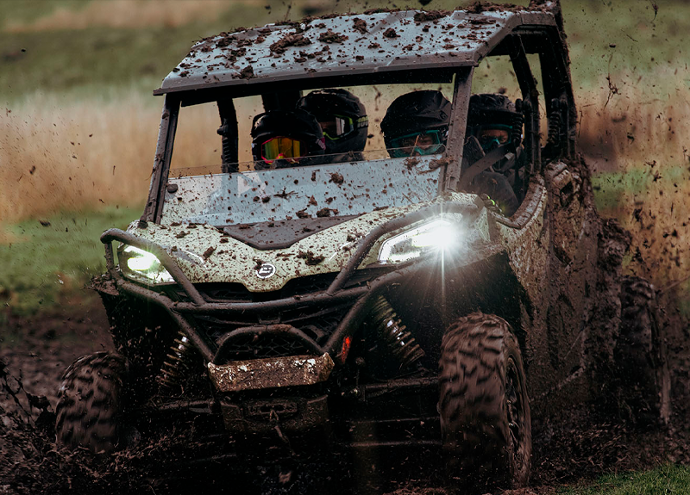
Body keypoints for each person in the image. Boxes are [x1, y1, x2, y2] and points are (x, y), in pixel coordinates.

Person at [381, 90, 520, 216]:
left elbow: (512, 230)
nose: (416, 154)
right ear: (393, 147)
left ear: (446, 140)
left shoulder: (492, 185)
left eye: (425, 141)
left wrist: (490, 215)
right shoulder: (383, 188)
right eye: (407, 144)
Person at [466, 93, 526, 210]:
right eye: (485, 139)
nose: (495, 145)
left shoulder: (527, 174)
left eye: (502, 139)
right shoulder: (456, 169)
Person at [296, 88, 369, 162]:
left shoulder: (361, 168)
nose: (321, 136)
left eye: (333, 129)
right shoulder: (294, 157)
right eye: (314, 128)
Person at [251, 109, 326, 170]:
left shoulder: (331, 179)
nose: (280, 162)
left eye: (292, 153)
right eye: (272, 154)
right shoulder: (254, 184)